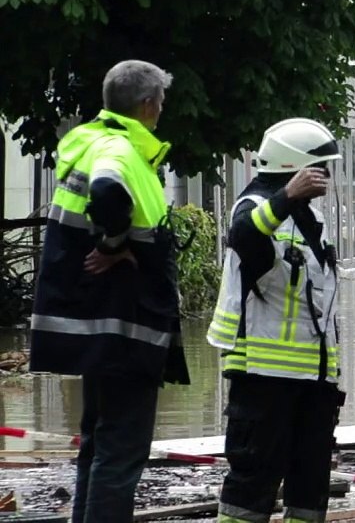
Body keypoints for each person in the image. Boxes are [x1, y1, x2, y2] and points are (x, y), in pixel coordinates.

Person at [29, 60, 190, 523]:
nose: (161, 111)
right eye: (159, 102)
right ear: (146, 105)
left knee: (97, 443)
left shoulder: (88, 140)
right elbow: (106, 190)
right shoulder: (120, 150)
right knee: (121, 451)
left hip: (95, 326)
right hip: (125, 327)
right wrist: (114, 244)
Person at [206, 118, 347, 523]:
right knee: (251, 487)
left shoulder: (308, 220)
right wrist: (286, 196)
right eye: (321, 167)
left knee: (310, 489)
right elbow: (244, 237)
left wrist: (331, 375)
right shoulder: (257, 207)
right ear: (296, 168)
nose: (327, 176)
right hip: (264, 377)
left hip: (313, 380)